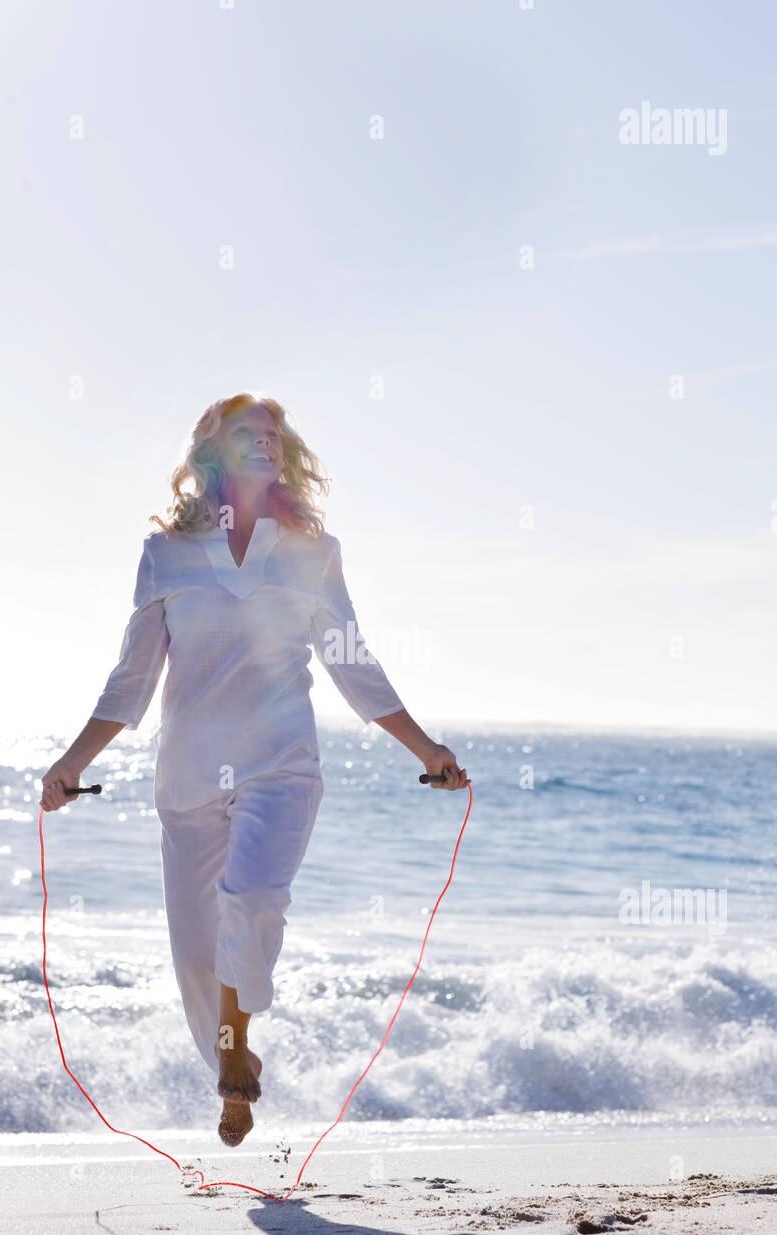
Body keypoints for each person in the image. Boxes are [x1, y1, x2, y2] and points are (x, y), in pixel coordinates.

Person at [40, 393, 469, 1146]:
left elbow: (349, 662)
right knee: (196, 955)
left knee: (254, 898)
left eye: (273, 433)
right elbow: (132, 678)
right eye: (248, 433)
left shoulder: (312, 551)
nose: (266, 443)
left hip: (281, 763)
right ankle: (230, 1057)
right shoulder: (166, 554)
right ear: (213, 450)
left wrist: (424, 748)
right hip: (188, 774)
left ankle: (236, 1054)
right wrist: (73, 765)